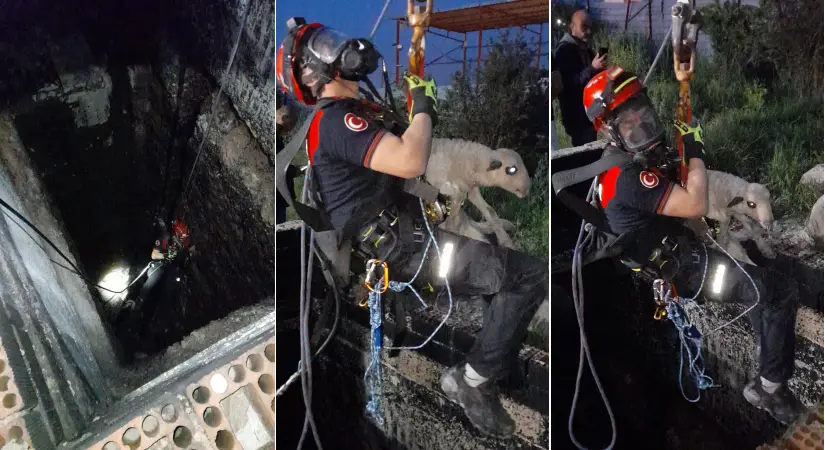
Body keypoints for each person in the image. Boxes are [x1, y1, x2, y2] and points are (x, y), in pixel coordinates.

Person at [277, 19, 548, 438]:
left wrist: (417, 51)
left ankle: (496, 362)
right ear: (314, 73)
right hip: (407, 253)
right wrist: (423, 104)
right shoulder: (335, 121)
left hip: (404, 244)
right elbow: (410, 160)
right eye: (325, 47)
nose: (340, 47)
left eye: (332, 38)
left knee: (505, 271)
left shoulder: (351, 115)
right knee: (530, 275)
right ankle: (472, 381)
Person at [577, 66, 801, 425]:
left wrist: (683, 84)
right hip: (688, 270)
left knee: (760, 284)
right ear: (608, 130)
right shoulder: (628, 178)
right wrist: (695, 144)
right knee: (779, 290)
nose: (641, 125)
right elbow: (695, 202)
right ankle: (769, 389)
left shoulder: (625, 161)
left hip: (681, 250)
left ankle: (766, 350)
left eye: (643, 114)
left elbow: (680, 140)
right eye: (628, 122)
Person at [554, 9, 607, 146]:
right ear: (572, 27)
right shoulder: (564, 51)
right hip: (577, 118)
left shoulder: (584, 49)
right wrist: (592, 68)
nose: (588, 32)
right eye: (584, 27)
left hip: (590, 114)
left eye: (590, 28)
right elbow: (569, 84)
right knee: (585, 157)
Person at [276, 101, 298, 224]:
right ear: (284, 118)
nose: (290, 130)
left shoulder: (278, 138)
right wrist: (294, 170)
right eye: (291, 125)